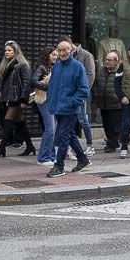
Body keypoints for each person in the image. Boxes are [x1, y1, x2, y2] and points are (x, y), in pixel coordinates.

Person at [45, 37, 91, 177]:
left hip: (70, 109)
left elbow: (84, 90)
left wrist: (71, 102)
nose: (62, 52)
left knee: (63, 136)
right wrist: (51, 101)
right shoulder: (57, 65)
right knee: (69, 135)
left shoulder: (78, 67)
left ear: (71, 50)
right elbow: (52, 86)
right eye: (59, 50)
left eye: (64, 50)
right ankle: (83, 159)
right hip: (58, 107)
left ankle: (59, 166)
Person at [0, 41, 33, 158]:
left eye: (9, 50)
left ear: (15, 51)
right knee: (21, 123)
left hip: (17, 99)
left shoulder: (23, 65)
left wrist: (24, 100)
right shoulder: (6, 65)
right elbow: (1, 83)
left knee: (7, 121)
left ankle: (1, 149)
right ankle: (30, 146)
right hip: (9, 98)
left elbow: (27, 83)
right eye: (5, 50)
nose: (6, 52)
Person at [93, 51, 125, 153]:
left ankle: (112, 144)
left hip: (115, 104)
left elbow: (124, 86)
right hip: (103, 102)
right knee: (106, 124)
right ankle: (113, 142)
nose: (107, 62)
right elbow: (96, 83)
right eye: (106, 60)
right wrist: (96, 94)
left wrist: (118, 97)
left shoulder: (120, 71)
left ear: (116, 62)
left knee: (115, 125)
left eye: (109, 60)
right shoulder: (101, 70)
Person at [70, 38, 97, 156]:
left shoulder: (86, 55)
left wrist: (84, 92)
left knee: (82, 118)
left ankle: (90, 145)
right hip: (70, 93)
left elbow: (90, 74)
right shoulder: (67, 56)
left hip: (81, 92)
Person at [32, 47, 58, 166]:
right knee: (50, 128)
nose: (56, 56)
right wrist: (48, 87)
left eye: (56, 54)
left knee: (53, 129)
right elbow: (33, 81)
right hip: (44, 99)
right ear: (47, 55)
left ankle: (51, 156)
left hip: (51, 99)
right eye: (53, 54)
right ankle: (43, 157)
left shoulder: (53, 67)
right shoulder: (42, 67)